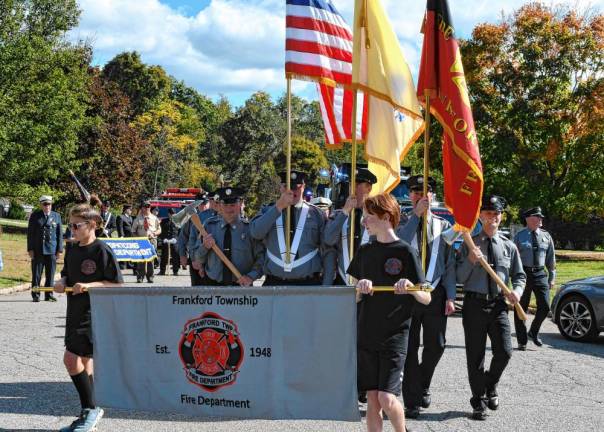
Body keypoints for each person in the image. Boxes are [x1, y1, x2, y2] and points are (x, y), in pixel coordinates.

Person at [348, 193, 430, 432]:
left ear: (385, 217)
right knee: (372, 400)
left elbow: (427, 297)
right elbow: (352, 296)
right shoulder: (364, 251)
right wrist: (360, 290)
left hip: (395, 335)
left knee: (386, 398)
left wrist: (411, 288)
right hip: (367, 333)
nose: (364, 221)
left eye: (369, 216)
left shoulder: (406, 252)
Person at [54, 201, 123, 432]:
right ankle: (91, 412)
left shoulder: (102, 250)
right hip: (74, 312)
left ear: (92, 224)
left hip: (94, 315)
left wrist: (89, 285)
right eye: (70, 225)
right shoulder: (73, 249)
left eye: (76, 225)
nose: (71, 230)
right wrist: (61, 282)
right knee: (83, 361)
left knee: (70, 360)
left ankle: (90, 409)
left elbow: (116, 285)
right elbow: (66, 274)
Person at [456, 194, 526, 420]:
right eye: (488, 213)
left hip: (498, 304)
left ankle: (490, 385)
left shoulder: (509, 246)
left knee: (504, 352)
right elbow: (459, 277)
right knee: (475, 356)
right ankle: (478, 401)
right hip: (474, 304)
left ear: (501, 217)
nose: (492, 217)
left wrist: (516, 291)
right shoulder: (469, 243)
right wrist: (470, 260)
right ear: (480, 216)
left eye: (496, 213)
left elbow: (520, 276)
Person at [397, 176, 456, 419]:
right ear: (410, 195)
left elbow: (449, 264)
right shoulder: (401, 222)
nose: (420, 196)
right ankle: (412, 400)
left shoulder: (443, 225)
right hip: (409, 294)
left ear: (432, 195)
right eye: (415, 192)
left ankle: (422, 383)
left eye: (426, 192)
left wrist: (451, 296)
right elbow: (398, 244)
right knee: (410, 348)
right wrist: (415, 217)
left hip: (436, 293)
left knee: (437, 345)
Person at [250, 170, 326, 286]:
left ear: (303, 187)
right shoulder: (268, 211)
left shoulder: (316, 214)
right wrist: (278, 207)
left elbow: (326, 246)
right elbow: (256, 233)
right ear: (281, 188)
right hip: (275, 282)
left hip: (308, 283)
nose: (291, 191)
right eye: (287, 187)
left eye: (296, 187)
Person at [196, 187, 264, 286]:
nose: (229, 209)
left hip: (241, 287)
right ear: (219, 206)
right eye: (225, 204)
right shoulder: (209, 227)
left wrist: (251, 276)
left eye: (232, 205)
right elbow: (198, 258)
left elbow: (261, 258)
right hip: (213, 286)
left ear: (240, 204)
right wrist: (205, 247)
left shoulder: (250, 229)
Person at [324, 167, 377, 285]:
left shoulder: (377, 218)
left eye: (358, 184)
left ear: (369, 188)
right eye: (350, 184)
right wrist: (345, 212)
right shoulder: (339, 215)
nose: (353, 188)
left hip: (369, 284)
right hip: (343, 281)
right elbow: (328, 240)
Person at [514, 206, 556, 349]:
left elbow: (551, 257)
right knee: (521, 307)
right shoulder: (519, 236)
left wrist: (552, 277)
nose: (540, 219)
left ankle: (533, 331)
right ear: (528, 219)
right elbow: (513, 259)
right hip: (523, 274)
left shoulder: (546, 236)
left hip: (540, 273)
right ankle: (522, 340)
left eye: (541, 217)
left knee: (545, 306)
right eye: (537, 217)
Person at [27, 195, 63, 302]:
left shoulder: (57, 216)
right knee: (36, 274)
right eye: (45, 204)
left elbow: (59, 234)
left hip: (52, 249)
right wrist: (30, 249)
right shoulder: (35, 216)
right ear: (41, 205)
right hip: (38, 250)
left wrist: (59, 250)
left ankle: (49, 294)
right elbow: (30, 234)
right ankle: (35, 294)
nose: (47, 206)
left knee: (50, 274)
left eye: (49, 204)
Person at [177, 194, 209, 286]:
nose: (203, 206)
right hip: (194, 256)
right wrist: (182, 255)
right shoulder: (191, 218)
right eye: (200, 204)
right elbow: (183, 237)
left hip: (209, 257)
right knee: (196, 285)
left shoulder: (213, 217)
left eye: (205, 203)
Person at [131, 201, 161, 283]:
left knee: (150, 259)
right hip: (141, 240)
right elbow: (133, 231)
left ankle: (150, 277)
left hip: (152, 240)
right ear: (142, 208)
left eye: (149, 206)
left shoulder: (154, 218)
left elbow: (159, 229)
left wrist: (154, 233)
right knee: (141, 259)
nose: (147, 208)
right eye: (145, 206)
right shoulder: (138, 219)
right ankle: (140, 276)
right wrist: (137, 239)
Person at [159, 208, 180, 276]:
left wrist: (177, 239)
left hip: (174, 241)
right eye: (171, 214)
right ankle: (162, 271)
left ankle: (175, 271)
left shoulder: (177, 221)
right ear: (168, 214)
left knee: (175, 256)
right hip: (166, 241)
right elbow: (161, 231)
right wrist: (163, 239)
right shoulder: (164, 221)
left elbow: (180, 232)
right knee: (164, 256)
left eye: (173, 214)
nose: (172, 215)